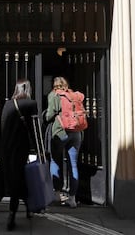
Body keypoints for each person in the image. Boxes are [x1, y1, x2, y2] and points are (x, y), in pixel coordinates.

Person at [0, 79, 37, 231]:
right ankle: (12, 214)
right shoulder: (30, 104)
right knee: (20, 180)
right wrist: (38, 148)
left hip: (7, 149)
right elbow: (35, 128)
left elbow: (2, 127)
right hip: (21, 149)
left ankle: (26, 208)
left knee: (16, 179)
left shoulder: (8, 104)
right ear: (28, 89)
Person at [45, 76, 83, 208]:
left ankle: (56, 194)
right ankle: (72, 198)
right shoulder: (73, 95)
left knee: (55, 161)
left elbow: (50, 114)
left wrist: (45, 116)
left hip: (60, 133)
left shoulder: (54, 95)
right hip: (76, 133)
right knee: (73, 165)